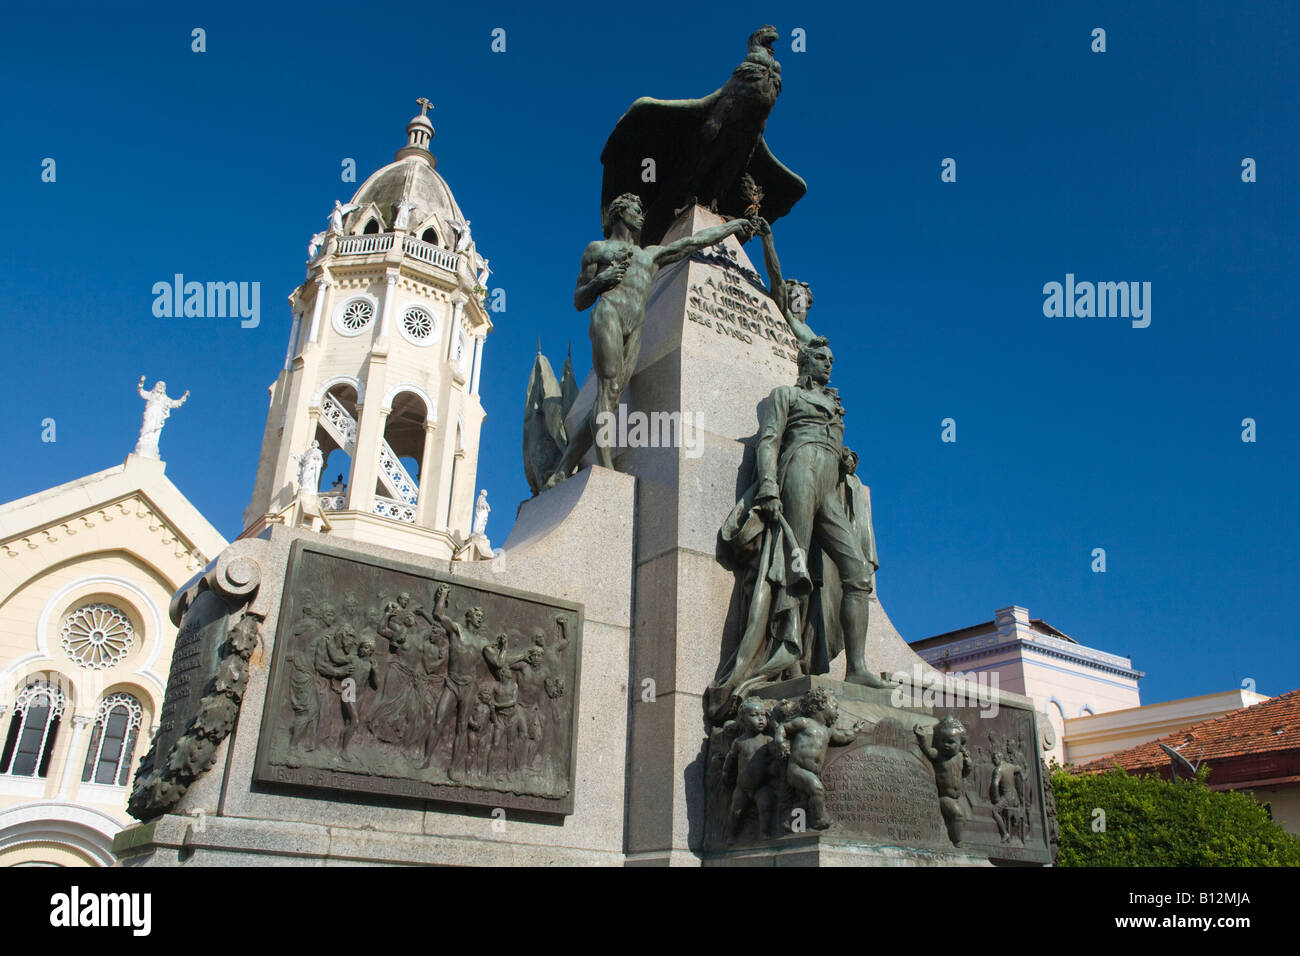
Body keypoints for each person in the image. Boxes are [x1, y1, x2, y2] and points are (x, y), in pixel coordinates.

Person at [546, 193, 756, 482]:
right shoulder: (598, 249)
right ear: (620, 214)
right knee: (608, 390)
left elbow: (693, 242)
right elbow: (579, 300)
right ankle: (606, 466)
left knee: (612, 392)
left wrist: (731, 227)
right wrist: (601, 282)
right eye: (636, 210)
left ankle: (562, 468)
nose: (642, 216)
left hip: (637, 326)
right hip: (609, 315)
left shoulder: (650, 254)